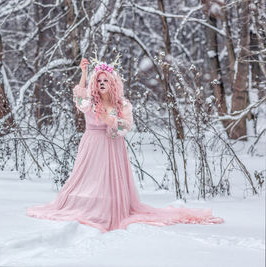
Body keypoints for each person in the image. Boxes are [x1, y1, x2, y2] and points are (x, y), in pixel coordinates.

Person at [26, 57, 224, 233]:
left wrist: (109, 120)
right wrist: (84, 72)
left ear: (113, 84)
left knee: (109, 178)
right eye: (99, 81)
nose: (102, 83)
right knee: (89, 177)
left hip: (112, 145)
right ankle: (86, 205)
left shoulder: (122, 104)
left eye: (106, 81)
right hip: (91, 143)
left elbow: (125, 127)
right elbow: (79, 98)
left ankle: (111, 207)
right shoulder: (90, 101)